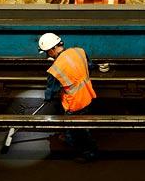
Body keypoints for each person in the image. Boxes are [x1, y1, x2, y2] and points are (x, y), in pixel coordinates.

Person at [38, 33, 102, 162]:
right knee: (75, 124)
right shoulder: (79, 51)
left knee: (80, 131)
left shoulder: (55, 69)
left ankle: (90, 153)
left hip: (75, 103)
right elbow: (90, 66)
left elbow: (51, 92)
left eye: (46, 53)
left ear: (51, 50)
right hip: (89, 95)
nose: (47, 55)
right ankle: (68, 136)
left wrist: (47, 98)